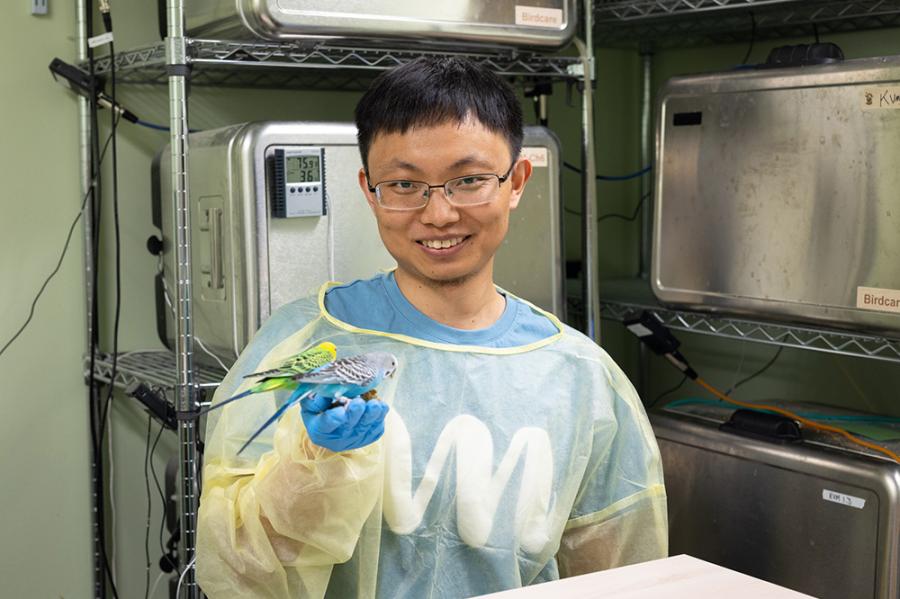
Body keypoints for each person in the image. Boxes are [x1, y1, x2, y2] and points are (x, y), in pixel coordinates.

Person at [196, 56, 667, 599]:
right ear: (369, 190)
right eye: (403, 184)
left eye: (467, 180)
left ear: (515, 182)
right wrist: (313, 465)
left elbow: (620, 575)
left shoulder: (581, 379)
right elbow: (237, 564)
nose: (439, 214)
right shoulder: (308, 341)